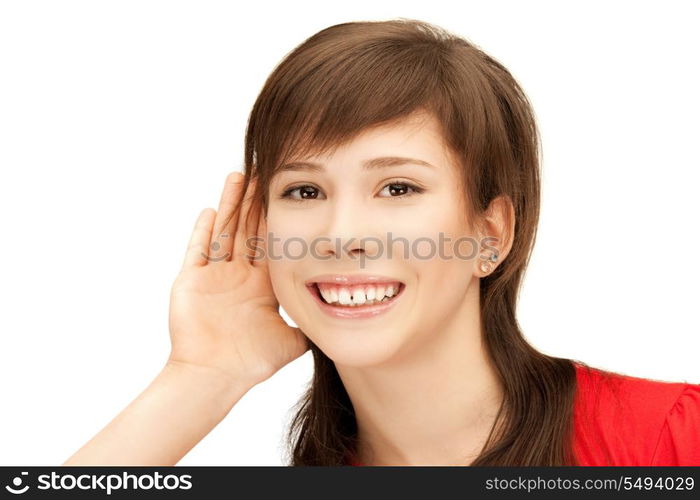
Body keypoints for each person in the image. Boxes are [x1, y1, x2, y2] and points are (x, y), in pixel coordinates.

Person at [63, 18, 700, 466]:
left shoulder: (670, 440)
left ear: (490, 233)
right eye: (304, 192)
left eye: (397, 189)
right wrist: (201, 377)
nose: (342, 237)